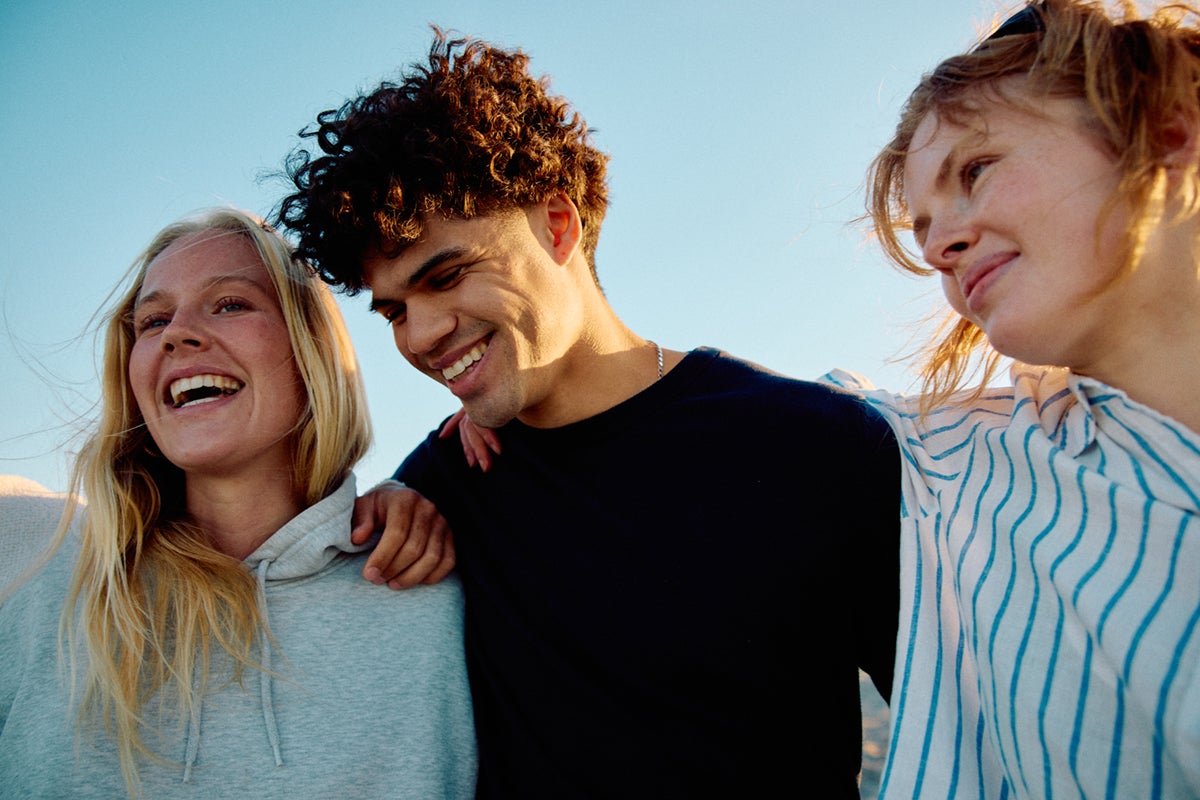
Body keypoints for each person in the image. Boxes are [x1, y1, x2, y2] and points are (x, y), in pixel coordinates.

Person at [277, 31, 902, 798]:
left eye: (447, 276)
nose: (421, 334)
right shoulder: (440, 490)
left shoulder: (818, 445)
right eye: (395, 311)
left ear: (558, 225)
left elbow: (980, 733)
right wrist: (400, 505)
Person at [831, 1, 1200, 797]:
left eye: (976, 170)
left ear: (1168, 132)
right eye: (923, 226)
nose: (936, 248)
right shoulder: (958, 457)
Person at [0, 209, 476, 798]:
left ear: (312, 350)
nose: (176, 333)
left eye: (229, 303)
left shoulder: (437, 584)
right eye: (152, 321)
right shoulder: (31, 556)